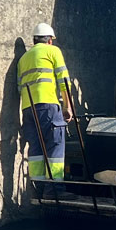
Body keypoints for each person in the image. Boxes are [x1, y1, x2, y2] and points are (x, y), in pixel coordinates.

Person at [17, 22, 73, 198]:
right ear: (50, 40)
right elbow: (63, 79)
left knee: (36, 148)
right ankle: (55, 191)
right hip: (48, 105)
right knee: (55, 145)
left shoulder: (23, 59)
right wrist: (68, 106)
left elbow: (19, 87)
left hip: (27, 108)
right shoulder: (53, 51)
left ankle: (39, 189)